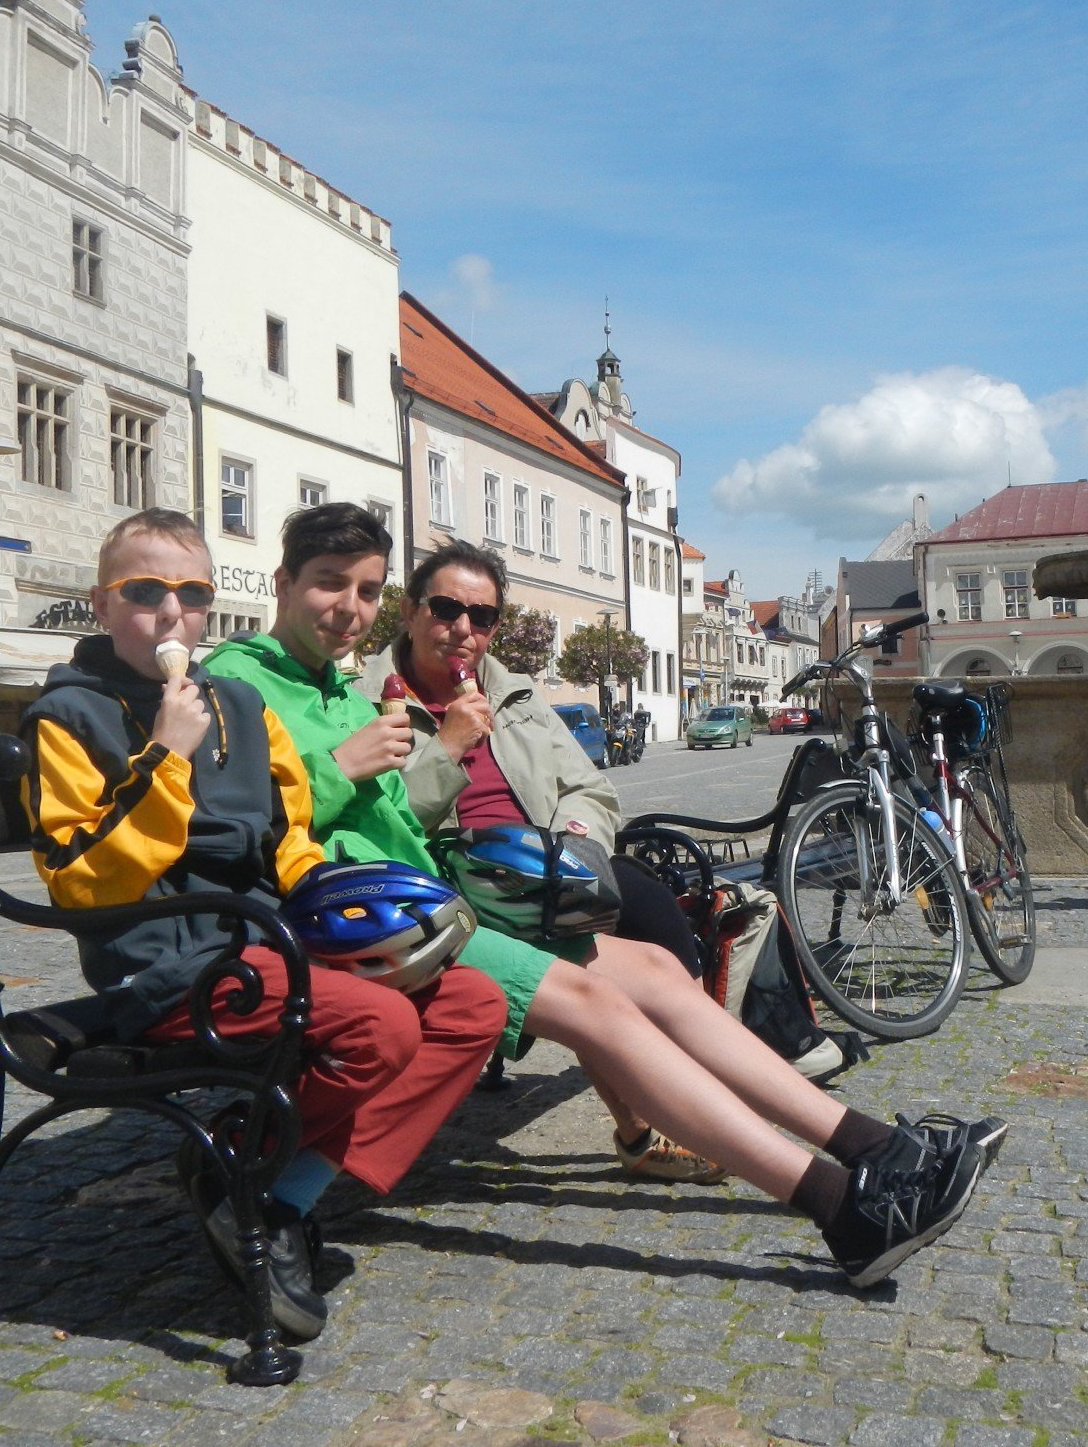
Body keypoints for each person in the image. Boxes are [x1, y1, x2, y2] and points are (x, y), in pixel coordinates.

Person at [208, 508, 1002, 1288]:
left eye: (365, 590)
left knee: (656, 968)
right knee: (606, 1006)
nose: (349, 607)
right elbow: (228, 822)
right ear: (285, 583)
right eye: (329, 585)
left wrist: (557, 849)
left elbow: (525, 796)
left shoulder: (344, 692)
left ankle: (869, 1148)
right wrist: (373, 765)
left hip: (450, 902)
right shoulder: (248, 685)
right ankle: (838, 1207)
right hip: (378, 916)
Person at [23, 509, 508, 1342]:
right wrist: (167, 757)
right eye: (143, 593)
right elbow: (82, 881)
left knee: (470, 1004)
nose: (170, 613)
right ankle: (242, 1171)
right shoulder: (67, 718)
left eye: (192, 594)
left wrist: (353, 918)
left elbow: (287, 839)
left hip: (268, 942)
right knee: (382, 1026)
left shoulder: (242, 707)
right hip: (166, 962)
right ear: (102, 606)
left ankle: (269, 1191)